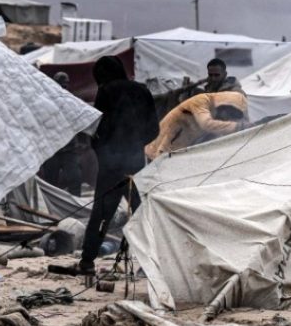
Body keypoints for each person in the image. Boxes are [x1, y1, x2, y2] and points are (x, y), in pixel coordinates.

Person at [78, 56, 159, 275]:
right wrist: (135, 145)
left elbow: (98, 128)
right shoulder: (142, 91)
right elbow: (154, 129)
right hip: (135, 164)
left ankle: (87, 262)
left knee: (101, 214)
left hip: (110, 166)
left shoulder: (107, 91)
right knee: (142, 215)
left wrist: (103, 151)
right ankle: (151, 264)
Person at [145, 91, 248, 160]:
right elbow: (206, 124)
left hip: (176, 148)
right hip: (163, 146)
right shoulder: (202, 101)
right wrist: (239, 126)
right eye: (231, 114)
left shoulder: (215, 113)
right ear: (225, 106)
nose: (229, 118)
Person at [40, 72, 86, 195]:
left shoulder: (73, 101)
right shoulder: (46, 103)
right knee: (50, 183)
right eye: (60, 85)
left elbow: (84, 121)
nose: (62, 88)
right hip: (53, 149)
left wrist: (83, 143)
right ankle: (52, 209)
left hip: (69, 150)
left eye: (64, 85)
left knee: (75, 180)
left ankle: (76, 208)